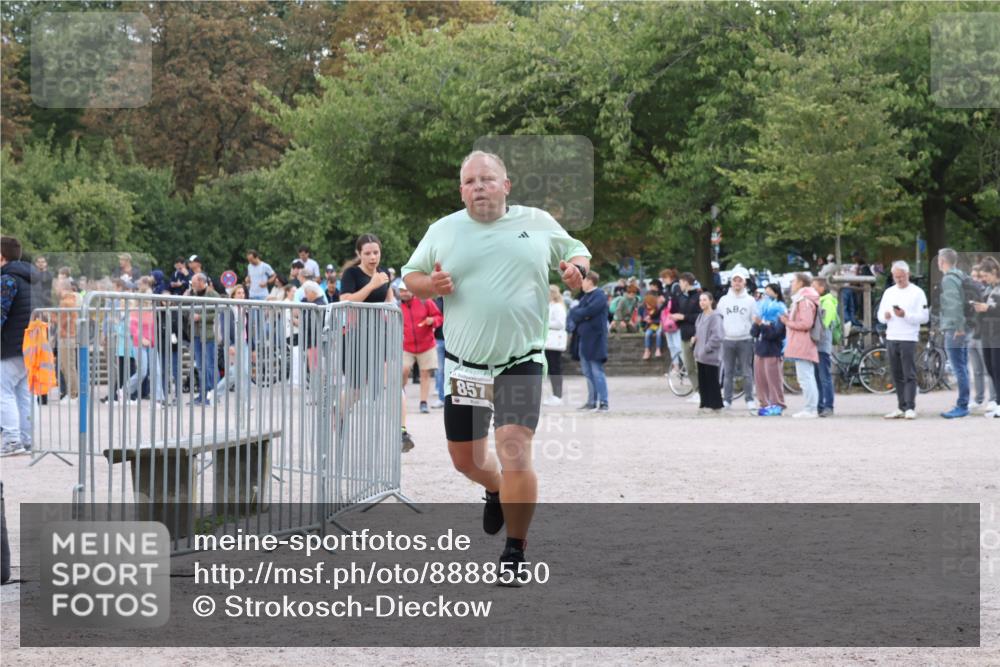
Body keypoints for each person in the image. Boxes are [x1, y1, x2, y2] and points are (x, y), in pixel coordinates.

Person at [402, 150, 590, 581]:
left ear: (506, 185)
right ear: (461, 190)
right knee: (465, 461)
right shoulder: (443, 230)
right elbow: (410, 276)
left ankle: (515, 551)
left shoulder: (536, 222)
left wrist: (576, 272)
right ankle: (494, 489)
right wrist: (431, 285)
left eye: (487, 179)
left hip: (520, 360)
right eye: (470, 181)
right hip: (465, 366)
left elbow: (577, 252)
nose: (479, 187)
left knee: (513, 446)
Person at [877, 260, 929, 419]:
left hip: (908, 337)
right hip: (892, 336)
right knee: (896, 373)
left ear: (908, 275)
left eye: (901, 276)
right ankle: (901, 406)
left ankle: (910, 407)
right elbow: (879, 315)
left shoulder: (917, 292)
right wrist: (885, 317)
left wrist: (905, 315)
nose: (898, 279)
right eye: (895, 276)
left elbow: (924, 317)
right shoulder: (889, 292)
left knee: (909, 373)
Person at [1, 237, 36, 456]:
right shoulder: (29, 279)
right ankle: (26, 438)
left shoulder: (7, 280)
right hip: (28, 346)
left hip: (10, 345)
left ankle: (12, 440)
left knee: (2, 391)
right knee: (23, 393)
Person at [936, 249, 971, 419]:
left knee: (958, 368)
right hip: (965, 327)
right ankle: (964, 402)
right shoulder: (962, 275)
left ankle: (962, 405)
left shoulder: (949, 279)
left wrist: (958, 327)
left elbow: (954, 304)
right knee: (963, 366)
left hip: (954, 328)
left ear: (942, 261)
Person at [780, 273, 820, 419]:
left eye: (794, 281)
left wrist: (788, 323)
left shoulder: (804, 300)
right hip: (802, 342)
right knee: (806, 376)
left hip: (803, 342)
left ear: (801, 283)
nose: (791, 284)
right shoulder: (805, 299)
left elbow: (806, 323)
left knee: (805, 377)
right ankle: (810, 407)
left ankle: (810, 408)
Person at [717, 267, 757, 411]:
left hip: (745, 339)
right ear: (731, 283)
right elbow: (719, 318)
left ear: (744, 283)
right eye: (735, 281)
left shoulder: (750, 301)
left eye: (740, 281)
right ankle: (727, 400)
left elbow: (754, 320)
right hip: (728, 340)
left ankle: (749, 399)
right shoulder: (724, 300)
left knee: (747, 372)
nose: (737, 283)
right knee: (728, 372)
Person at [399, 283, 443, 414]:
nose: (404, 293)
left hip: (426, 345)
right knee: (403, 370)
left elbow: (439, 317)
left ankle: (423, 402)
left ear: (412, 291)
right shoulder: (396, 306)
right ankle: (400, 396)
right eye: (401, 291)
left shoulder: (426, 302)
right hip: (406, 346)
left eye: (406, 290)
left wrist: (432, 320)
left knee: (425, 374)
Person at [571, 270, 610, 412]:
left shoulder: (599, 296)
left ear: (590, 281)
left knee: (597, 371)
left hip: (595, 340)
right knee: (587, 372)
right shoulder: (585, 297)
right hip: (583, 340)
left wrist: (583, 314)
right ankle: (592, 401)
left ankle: (604, 402)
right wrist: (582, 315)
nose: (581, 283)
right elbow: (574, 313)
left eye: (583, 280)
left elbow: (589, 311)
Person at [123, 278, 164, 404]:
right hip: (138, 343)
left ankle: (158, 398)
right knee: (142, 371)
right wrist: (141, 338)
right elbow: (132, 327)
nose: (149, 299)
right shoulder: (135, 309)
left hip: (152, 343)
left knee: (156, 370)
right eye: (148, 296)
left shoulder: (152, 310)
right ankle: (125, 390)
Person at [751, 283, 787, 416]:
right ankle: (764, 404)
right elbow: (753, 332)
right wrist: (757, 323)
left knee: (773, 379)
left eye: (769, 292)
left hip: (773, 350)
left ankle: (777, 404)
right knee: (760, 379)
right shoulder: (761, 311)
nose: (765, 295)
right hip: (760, 349)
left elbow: (774, 334)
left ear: (776, 294)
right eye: (765, 293)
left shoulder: (781, 311)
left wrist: (762, 325)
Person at [971, 256, 1000, 418]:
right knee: (991, 369)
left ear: (994, 271)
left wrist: (987, 308)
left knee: (998, 368)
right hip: (986, 334)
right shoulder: (989, 289)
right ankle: (997, 403)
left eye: (986, 276)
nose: (984, 279)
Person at [187, 273, 219, 405]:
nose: (192, 286)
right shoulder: (192, 294)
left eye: (194, 283)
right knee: (200, 366)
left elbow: (218, 312)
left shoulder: (213, 294)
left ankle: (213, 394)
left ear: (201, 281)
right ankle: (202, 394)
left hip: (209, 335)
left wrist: (200, 317)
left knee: (209, 365)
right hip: (196, 334)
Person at [672, 272, 703, 404]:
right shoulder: (680, 297)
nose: (679, 285)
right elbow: (680, 314)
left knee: (700, 365)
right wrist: (677, 319)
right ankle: (697, 390)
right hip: (685, 334)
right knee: (689, 365)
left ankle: (704, 392)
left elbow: (701, 317)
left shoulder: (699, 297)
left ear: (685, 282)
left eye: (680, 282)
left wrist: (684, 317)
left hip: (697, 335)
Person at [811, 277, 839, 417]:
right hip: (816, 345)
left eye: (814, 286)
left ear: (822, 288)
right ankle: (820, 405)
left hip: (822, 345)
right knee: (817, 376)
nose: (812, 289)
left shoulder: (827, 302)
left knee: (824, 376)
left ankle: (828, 405)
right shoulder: (819, 301)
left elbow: (825, 323)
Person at [693, 291, 724, 413]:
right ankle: (705, 403)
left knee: (712, 380)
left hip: (710, 355)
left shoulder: (715, 317)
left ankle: (716, 405)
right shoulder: (700, 316)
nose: (702, 302)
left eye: (705, 300)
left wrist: (706, 348)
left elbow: (717, 336)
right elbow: (698, 332)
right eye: (700, 300)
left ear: (711, 301)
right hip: (700, 354)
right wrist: (695, 339)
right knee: (703, 380)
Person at [543, 285, 567, 407]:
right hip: (549, 342)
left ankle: (558, 395)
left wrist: (545, 323)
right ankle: (555, 394)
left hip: (554, 342)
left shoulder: (558, 307)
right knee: (552, 369)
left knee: (555, 369)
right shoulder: (551, 306)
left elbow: (560, 323)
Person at [638, 289, 663, 360]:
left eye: (649, 304)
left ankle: (658, 349)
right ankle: (647, 350)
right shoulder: (645, 310)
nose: (647, 305)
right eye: (646, 304)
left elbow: (660, 319)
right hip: (650, 327)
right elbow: (643, 319)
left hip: (658, 326)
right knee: (647, 334)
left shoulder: (658, 309)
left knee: (659, 333)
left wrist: (652, 320)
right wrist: (645, 320)